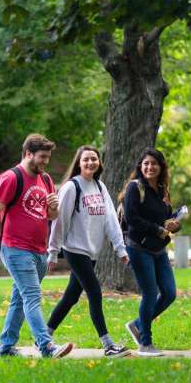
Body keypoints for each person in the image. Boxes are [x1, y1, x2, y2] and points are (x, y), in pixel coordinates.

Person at [0, 134, 74, 359]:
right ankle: (46, 346)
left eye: (48, 158)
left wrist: (54, 207)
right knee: (33, 296)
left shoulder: (45, 180)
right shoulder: (10, 178)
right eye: (42, 157)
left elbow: (50, 215)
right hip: (15, 248)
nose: (45, 162)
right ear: (28, 154)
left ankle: (6, 348)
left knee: (20, 298)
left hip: (38, 250)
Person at [46, 146, 131, 358]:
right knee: (95, 292)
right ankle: (108, 345)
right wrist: (53, 252)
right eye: (86, 159)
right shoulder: (71, 187)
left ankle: (44, 337)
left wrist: (120, 247)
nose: (90, 162)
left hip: (92, 252)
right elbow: (60, 222)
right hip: (75, 249)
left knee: (71, 297)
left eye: (94, 159)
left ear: (99, 163)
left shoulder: (100, 187)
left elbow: (111, 219)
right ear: (79, 163)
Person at [120, 148, 180, 357]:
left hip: (159, 249)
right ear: (140, 166)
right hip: (139, 248)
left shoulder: (163, 189)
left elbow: (165, 218)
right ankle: (145, 343)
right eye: (146, 163)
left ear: (161, 167)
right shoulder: (134, 188)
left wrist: (174, 224)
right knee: (150, 293)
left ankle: (137, 325)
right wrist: (158, 229)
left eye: (154, 163)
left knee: (169, 293)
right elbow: (132, 218)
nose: (149, 167)